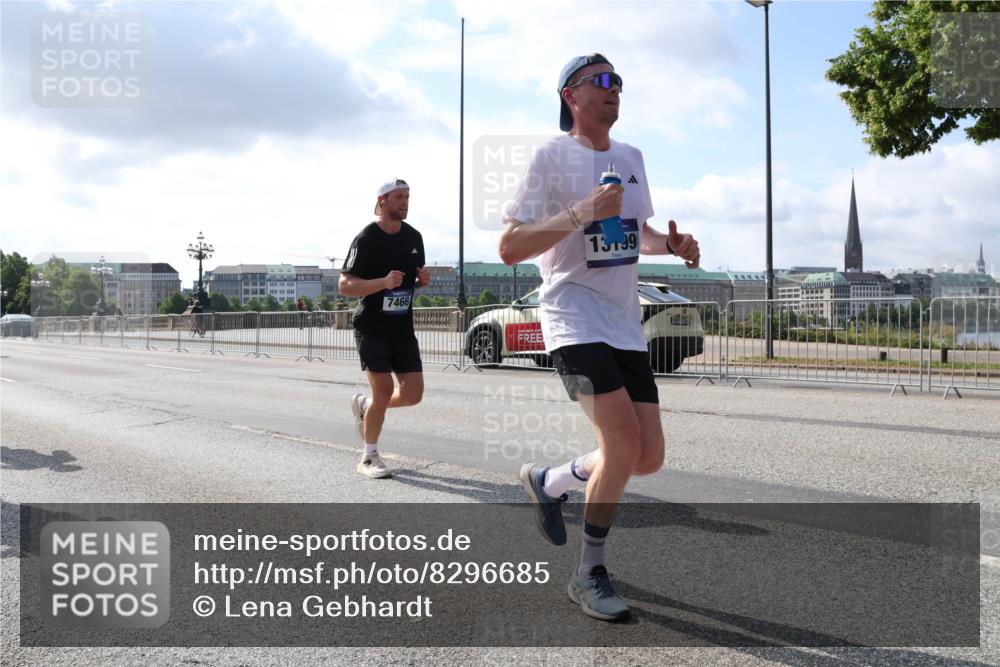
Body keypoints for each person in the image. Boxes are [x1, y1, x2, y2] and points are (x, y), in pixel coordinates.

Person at [498, 53, 701, 621]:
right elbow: (511, 247)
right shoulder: (551, 157)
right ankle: (588, 573)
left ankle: (550, 480)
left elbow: (638, 233)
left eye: (618, 83)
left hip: (623, 323)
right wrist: (581, 210)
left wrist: (674, 247)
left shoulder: (632, 156)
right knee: (620, 444)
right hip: (572, 317)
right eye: (601, 82)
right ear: (570, 95)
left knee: (649, 456)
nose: (614, 90)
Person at [339, 179, 432, 479]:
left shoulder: (414, 237)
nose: (405, 202)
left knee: (414, 394)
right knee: (385, 391)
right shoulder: (367, 238)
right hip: (371, 326)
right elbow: (345, 285)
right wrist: (382, 282)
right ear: (382, 201)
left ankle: (366, 405)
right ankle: (369, 457)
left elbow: (410, 281)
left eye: (407, 196)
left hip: (402, 328)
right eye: (398, 197)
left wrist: (421, 282)